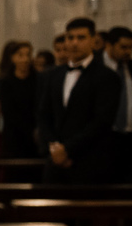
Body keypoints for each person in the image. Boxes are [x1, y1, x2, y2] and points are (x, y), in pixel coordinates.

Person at [36, 17, 122, 184]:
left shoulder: (107, 77)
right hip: (55, 165)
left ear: (93, 41)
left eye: (81, 38)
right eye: (70, 37)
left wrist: (68, 150)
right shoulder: (53, 75)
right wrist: (53, 148)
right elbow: (43, 115)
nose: (74, 43)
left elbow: (102, 122)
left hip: (90, 163)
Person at [103, 26, 132, 181]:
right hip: (105, 139)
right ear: (109, 45)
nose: (128, 52)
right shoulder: (97, 67)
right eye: (123, 47)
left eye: (131, 47)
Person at [0, 41, 39, 158]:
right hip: (13, 136)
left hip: (34, 136)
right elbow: (8, 111)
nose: (25, 59)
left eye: (28, 55)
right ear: (13, 58)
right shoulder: (6, 81)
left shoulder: (37, 79)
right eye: (20, 55)